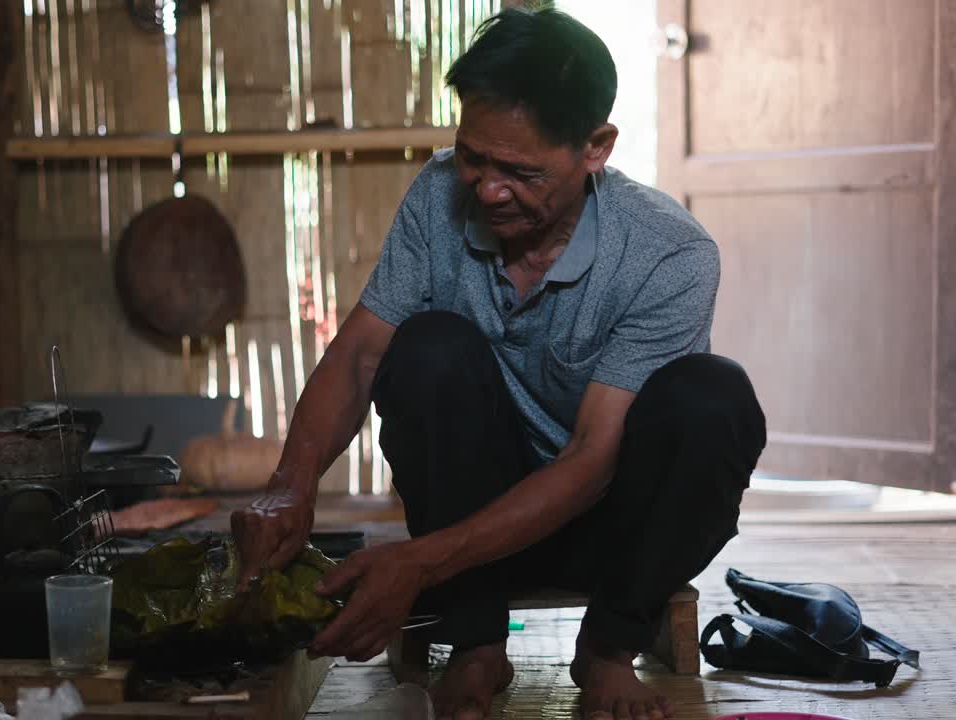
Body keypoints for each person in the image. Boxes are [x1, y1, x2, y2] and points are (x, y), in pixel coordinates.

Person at [231, 7, 766, 720]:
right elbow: (359, 356)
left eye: (519, 171)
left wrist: (418, 562)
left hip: (612, 530)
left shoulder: (669, 253)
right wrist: (290, 487)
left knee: (715, 399)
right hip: (476, 519)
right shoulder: (438, 196)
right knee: (427, 349)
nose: (486, 188)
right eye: (474, 158)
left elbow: (592, 458)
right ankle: (476, 645)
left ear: (595, 148)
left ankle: (608, 649)